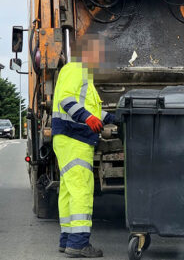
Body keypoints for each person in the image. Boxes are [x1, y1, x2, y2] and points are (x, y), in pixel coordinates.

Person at [52, 37, 116, 258]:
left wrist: (116, 118)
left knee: (70, 191)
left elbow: (94, 111)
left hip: (71, 138)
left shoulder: (84, 75)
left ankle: (67, 239)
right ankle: (79, 243)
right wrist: (87, 117)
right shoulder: (75, 68)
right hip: (74, 138)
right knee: (81, 190)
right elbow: (66, 99)